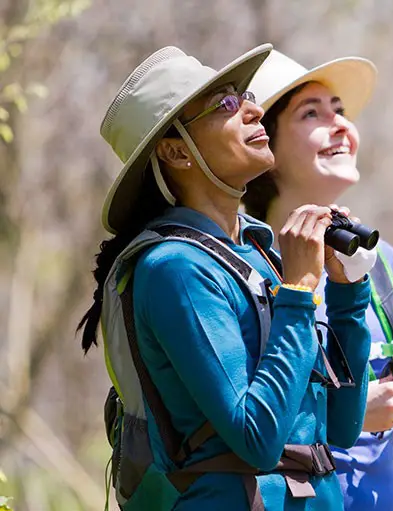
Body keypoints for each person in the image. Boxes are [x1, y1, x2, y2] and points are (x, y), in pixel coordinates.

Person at [77, 44, 372, 511]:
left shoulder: (259, 250)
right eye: (227, 105)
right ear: (176, 151)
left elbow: (341, 427)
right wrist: (297, 291)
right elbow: (256, 438)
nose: (254, 110)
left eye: (245, 95)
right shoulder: (173, 269)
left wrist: (348, 291)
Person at [242, 50, 393, 511]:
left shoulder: (382, 261)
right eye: (312, 113)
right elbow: (238, 429)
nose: (341, 125)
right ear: (267, 147)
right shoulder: (244, 265)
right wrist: (350, 416)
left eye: (340, 110)